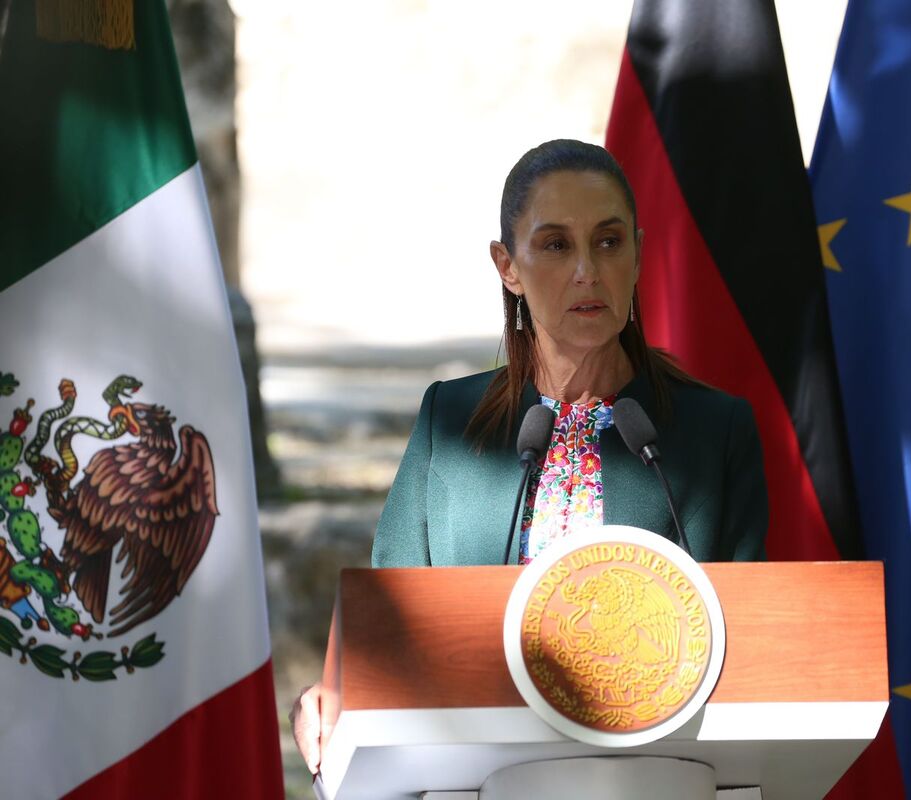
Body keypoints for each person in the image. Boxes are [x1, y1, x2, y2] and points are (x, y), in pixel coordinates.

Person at [289, 138, 768, 774]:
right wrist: (327, 699)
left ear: (639, 254)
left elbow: (754, 648)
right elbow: (383, 623)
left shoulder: (715, 430)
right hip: (470, 774)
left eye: (607, 241)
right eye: (555, 244)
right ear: (506, 265)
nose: (587, 272)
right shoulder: (447, 422)